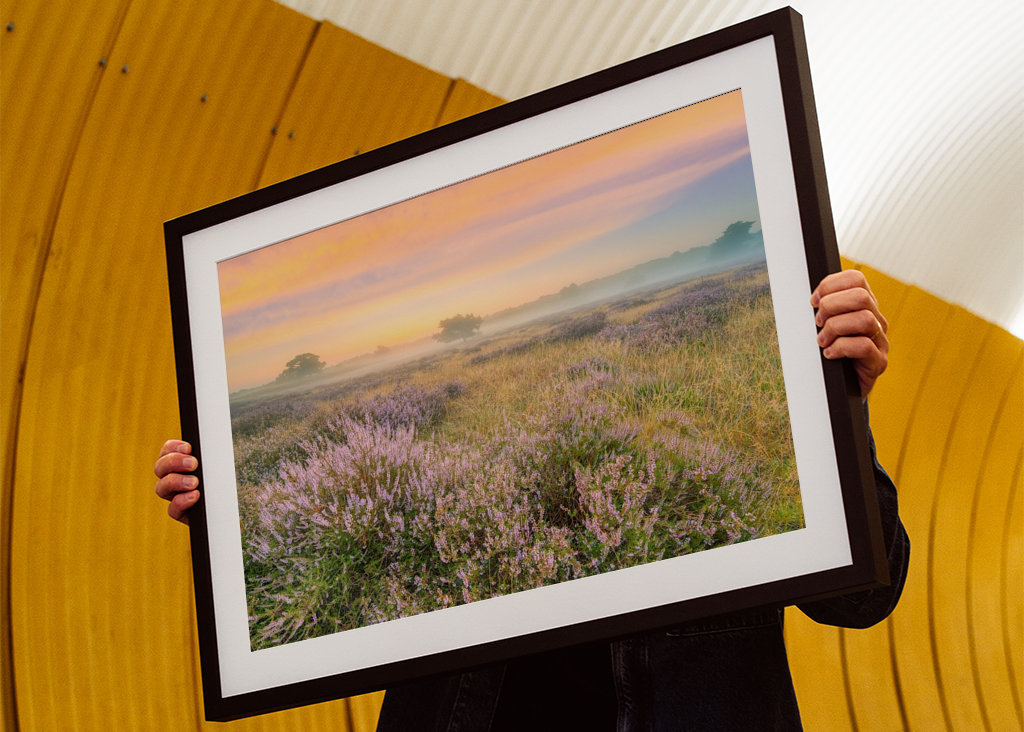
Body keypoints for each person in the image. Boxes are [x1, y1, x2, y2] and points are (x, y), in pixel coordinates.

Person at [154, 270, 909, 730]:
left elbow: (864, 598)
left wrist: (839, 406)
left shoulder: (769, 378)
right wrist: (232, 517)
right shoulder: (455, 500)